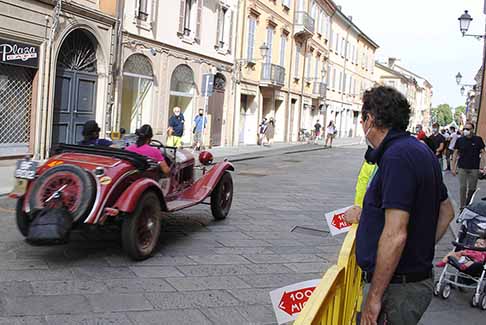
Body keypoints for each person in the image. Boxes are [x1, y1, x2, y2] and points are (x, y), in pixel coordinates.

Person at [356, 86, 454, 325]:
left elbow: (395, 233)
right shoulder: (420, 149)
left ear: (370, 119)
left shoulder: (396, 157)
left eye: (362, 119)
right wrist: (418, 248)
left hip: (396, 289)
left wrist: (375, 297)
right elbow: (447, 211)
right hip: (411, 281)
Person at [452, 122, 486, 210]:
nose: (465, 131)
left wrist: (484, 166)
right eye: (464, 129)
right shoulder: (460, 140)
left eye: (468, 129)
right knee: (462, 187)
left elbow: (483, 153)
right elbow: (455, 153)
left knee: (472, 188)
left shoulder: (478, 139)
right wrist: (453, 167)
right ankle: (462, 207)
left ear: (472, 130)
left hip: (474, 168)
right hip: (462, 167)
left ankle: (468, 202)